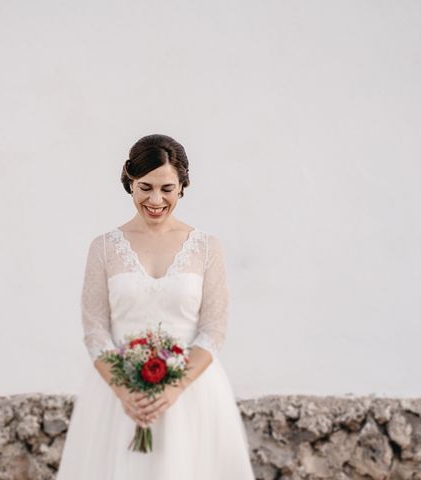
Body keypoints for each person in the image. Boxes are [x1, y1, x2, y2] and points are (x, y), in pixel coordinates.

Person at [56, 134, 255, 479]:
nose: (155, 199)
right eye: (145, 187)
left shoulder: (207, 247)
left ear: (182, 187)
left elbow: (214, 328)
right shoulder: (102, 248)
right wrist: (125, 393)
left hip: (193, 396)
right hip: (117, 399)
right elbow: (95, 329)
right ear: (130, 183)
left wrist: (174, 388)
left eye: (167, 189)